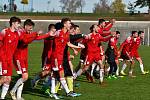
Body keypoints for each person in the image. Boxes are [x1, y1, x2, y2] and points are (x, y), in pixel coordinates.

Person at [10, 19, 53, 100]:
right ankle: (12, 91)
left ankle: (18, 96)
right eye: (30, 28)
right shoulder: (20, 31)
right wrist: (35, 34)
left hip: (24, 58)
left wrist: (47, 34)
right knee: (25, 76)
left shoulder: (27, 33)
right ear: (26, 26)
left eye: (32, 28)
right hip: (18, 57)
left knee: (22, 77)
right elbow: (25, 40)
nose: (31, 29)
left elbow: (36, 37)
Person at [0, 16, 21, 100]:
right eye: (18, 23)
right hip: (2, 58)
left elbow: (25, 39)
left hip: (9, 59)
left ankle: (2, 97)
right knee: (4, 78)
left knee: (8, 79)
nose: (19, 25)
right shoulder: (4, 31)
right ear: (13, 23)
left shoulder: (17, 33)